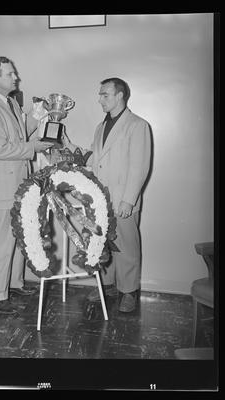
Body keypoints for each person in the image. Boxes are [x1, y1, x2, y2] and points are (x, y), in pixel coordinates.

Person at [63, 77, 151, 312]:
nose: (99, 99)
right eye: (100, 94)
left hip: (123, 200)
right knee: (105, 243)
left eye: (105, 95)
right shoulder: (101, 127)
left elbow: (139, 166)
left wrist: (128, 200)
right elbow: (96, 160)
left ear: (120, 95)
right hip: (101, 198)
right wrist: (68, 146)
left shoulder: (137, 125)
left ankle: (129, 292)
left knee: (127, 248)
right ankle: (109, 286)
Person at [0, 56, 53, 315]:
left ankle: (15, 283)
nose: (15, 78)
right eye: (9, 74)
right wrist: (34, 148)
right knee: (1, 243)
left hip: (16, 185)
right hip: (0, 188)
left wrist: (40, 113)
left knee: (19, 236)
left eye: (13, 74)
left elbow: (22, 131)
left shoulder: (8, 102)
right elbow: (1, 149)